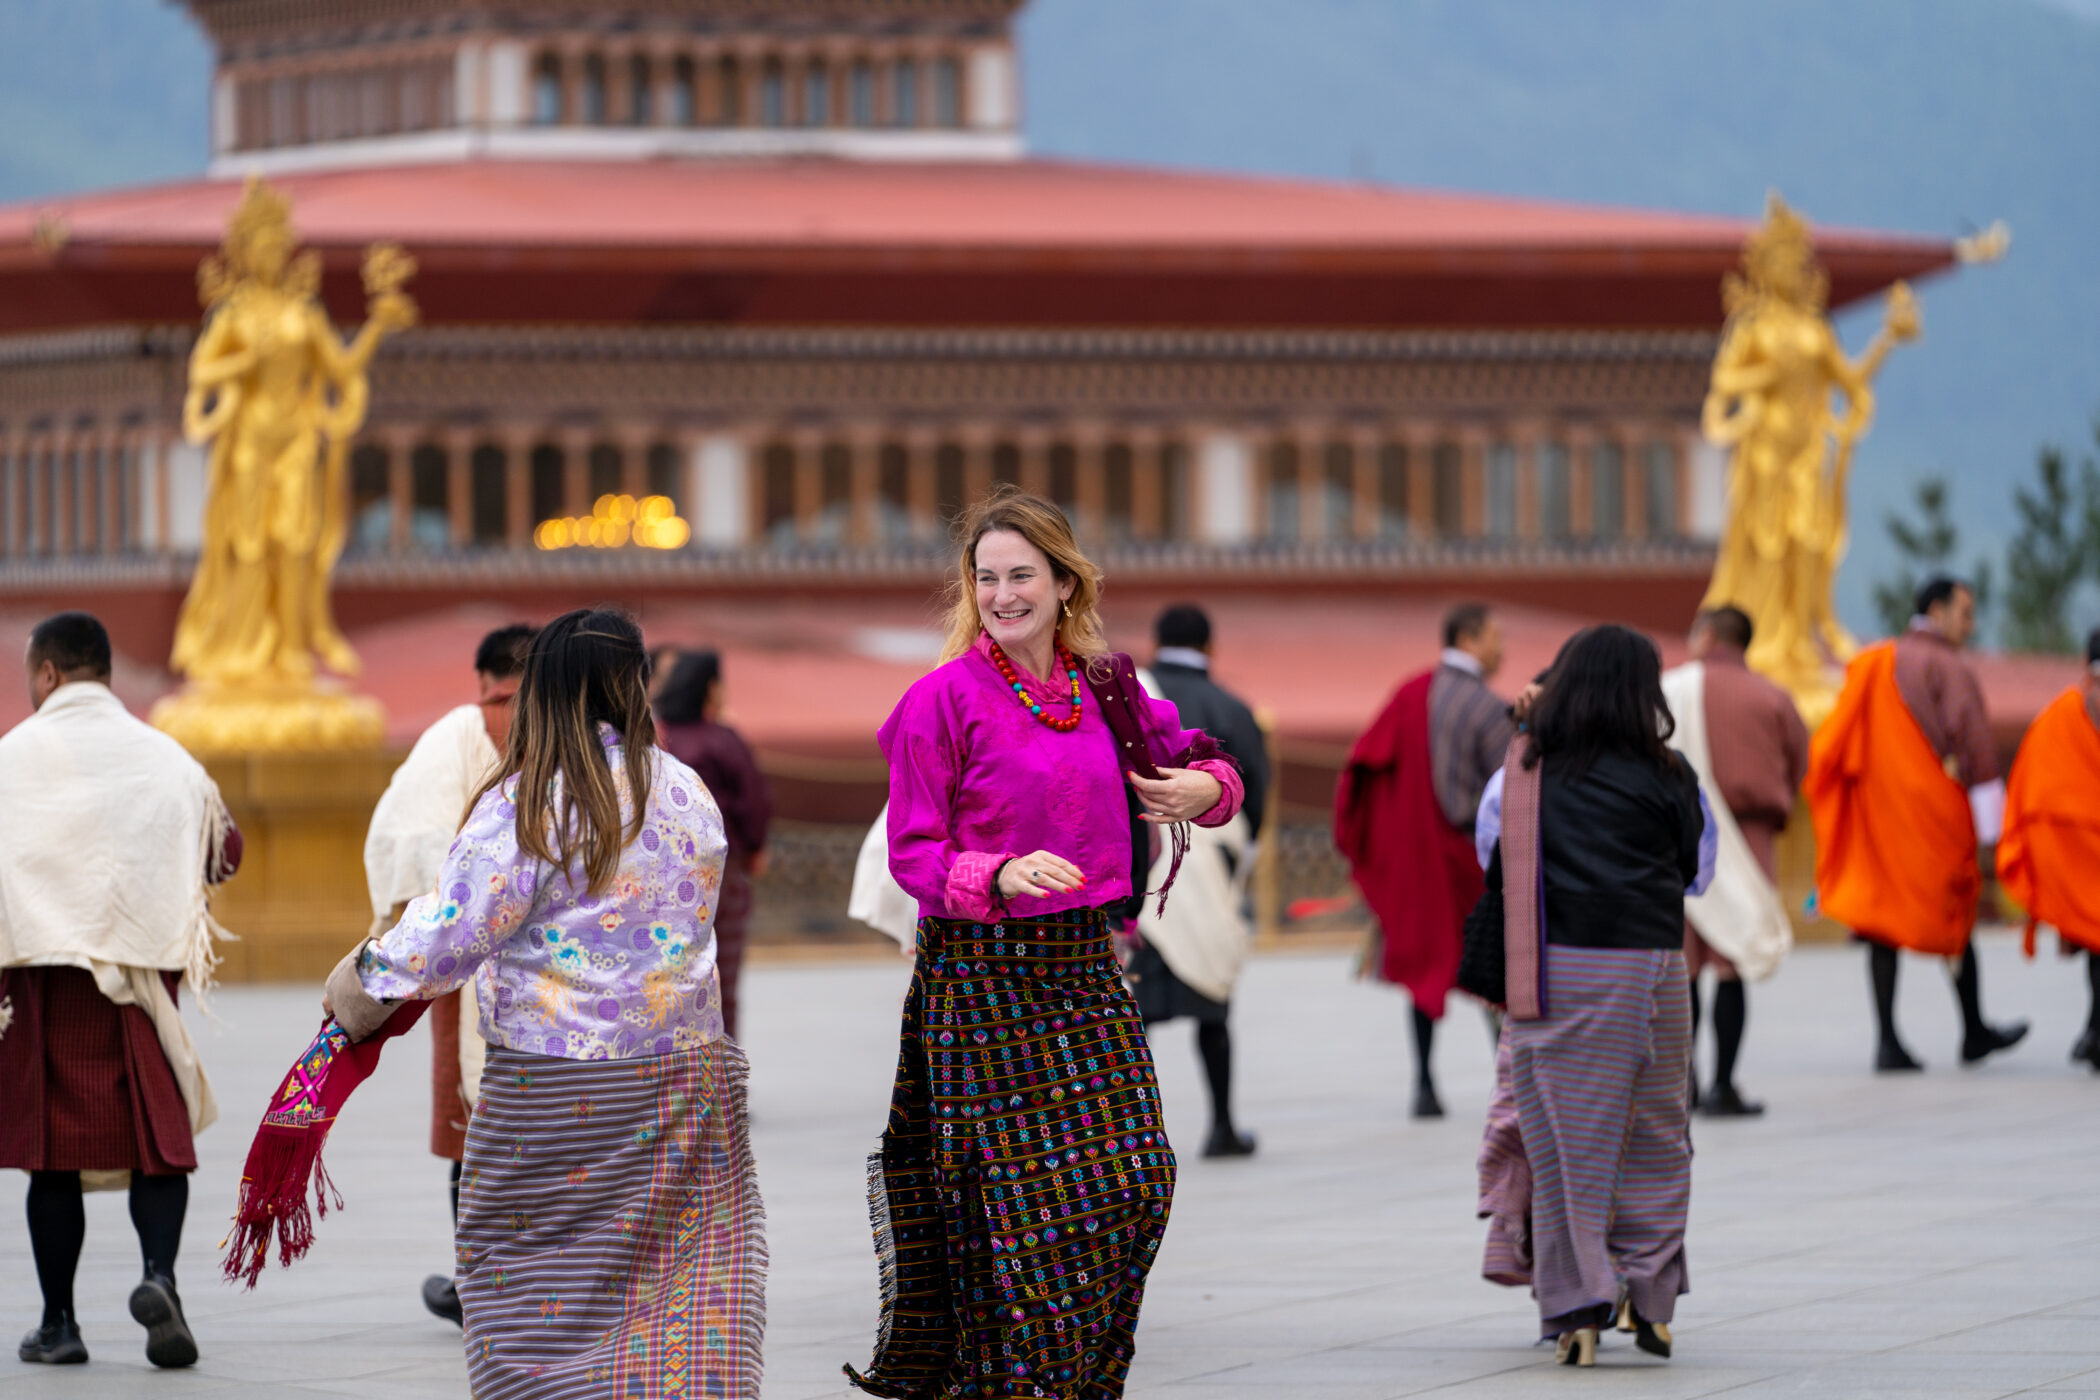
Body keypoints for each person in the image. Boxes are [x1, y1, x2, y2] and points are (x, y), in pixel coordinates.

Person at [845, 490, 1243, 1400]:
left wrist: (1204, 789)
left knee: (1139, 1178)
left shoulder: (1108, 687)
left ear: (1066, 584)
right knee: (1010, 1215)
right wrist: (997, 873)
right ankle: (1022, 1382)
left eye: (1022, 575)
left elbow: (1204, 762)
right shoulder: (938, 701)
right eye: (986, 577)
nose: (1002, 593)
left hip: (1084, 968)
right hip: (980, 976)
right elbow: (914, 850)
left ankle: (1078, 1374)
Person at [323, 608, 765, 1399]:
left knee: (529, 1281)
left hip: (554, 1089)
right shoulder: (688, 791)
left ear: (545, 693)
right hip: (681, 1077)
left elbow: (450, 932)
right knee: (666, 1278)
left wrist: (361, 985)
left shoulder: (532, 803)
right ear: (635, 686)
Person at [0, 612, 240, 1369]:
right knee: (156, 1148)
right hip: (141, 985)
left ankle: (59, 1323)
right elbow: (224, 853)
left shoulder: (11, 758)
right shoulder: (165, 757)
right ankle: (159, 1277)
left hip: (44, 988)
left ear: (46, 675)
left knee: (53, 1160)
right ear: (102, 671)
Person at [1474, 625, 1715, 1366]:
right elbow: (1690, 871)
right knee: (1658, 1133)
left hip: (1553, 971)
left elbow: (1494, 856)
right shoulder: (1671, 772)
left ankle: (1577, 1307)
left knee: (1565, 1146)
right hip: (1653, 969)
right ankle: (1650, 1297)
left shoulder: (1528, 764)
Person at [360, 621, 534, 1326]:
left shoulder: (464, 728)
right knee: (564, 1127)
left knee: (476, 1125)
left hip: (478, 960)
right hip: (585, 965)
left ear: (485, 679)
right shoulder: (585, 726)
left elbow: (409, 840)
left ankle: (481, 1286)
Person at [1805, 576, 2028, 1071]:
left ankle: (1888, 1040)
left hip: (1879, 816)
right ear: (1938, 610)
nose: (1970, 626)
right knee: (1956, 910)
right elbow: (1974, 744)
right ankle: (1973, 1029)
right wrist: (1992, 825)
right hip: (1931, 814)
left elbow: (1833, 741)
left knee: (1882, 924)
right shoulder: (1947, 667)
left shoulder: (1874, 661)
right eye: (1965, 613)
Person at [1336, 601, 1512, 1118]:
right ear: (1471, 637)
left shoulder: (1411, 693)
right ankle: (1510, 1080)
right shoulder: (1487, 707)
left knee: (1425, 970)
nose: (1502, 648)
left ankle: (1425, 1084)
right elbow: (1510, 790)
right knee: (1493, 968)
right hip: (1472, 860)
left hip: (1418, 858)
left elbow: (1363, 769)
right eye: (1496, 636)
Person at [1127, 603, 1272, 1159]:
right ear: (1210, 647)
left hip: (1146, 868)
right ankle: (1222, 1125)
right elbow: (1253, 802)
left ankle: (1137, 1137)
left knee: (1138, 1018)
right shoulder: (1235, 707)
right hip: (1208, 873)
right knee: (1212, 1007)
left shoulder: (1133, 695)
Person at [1662, 605, 1809, 1116]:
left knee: (1684, 967)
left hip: (1680, 835)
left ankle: (1685, 1085)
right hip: (1748, 840)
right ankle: (1725, 1084)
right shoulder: (1773, 697)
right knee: (1731, 964)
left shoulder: (1672, 688)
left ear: (1704, 634)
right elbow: (1797, 765)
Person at [656, 649, 773, 1040]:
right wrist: (755, 849)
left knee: (668, 982)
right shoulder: (722, 740)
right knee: (723, 980)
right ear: (711, 688)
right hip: (722, 875)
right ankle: (725, 1085)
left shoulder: (657, 738)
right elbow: (752, 801)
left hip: (661, 879)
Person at [1997, 627, 2100, 1070]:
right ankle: (2096, 1030)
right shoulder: (2061, 714)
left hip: (2079, 850)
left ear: (2083, 660)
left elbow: (2029, 793)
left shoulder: (2061, 714)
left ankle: (2095, 1030)